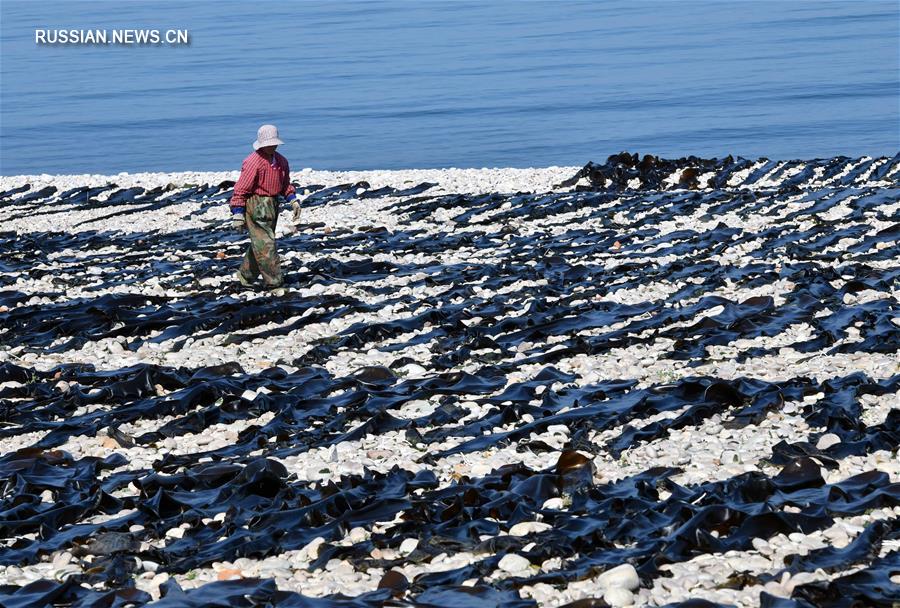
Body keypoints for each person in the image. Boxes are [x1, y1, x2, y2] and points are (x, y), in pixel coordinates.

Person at [229, 124, 298, 289]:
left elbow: (285, 184)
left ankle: (245, 276)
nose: (271, 146)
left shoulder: (281, 161)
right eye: (268, 144)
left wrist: (293, 200)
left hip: (272, 205)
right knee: (266, 245)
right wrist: (238, 213)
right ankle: (274, 283)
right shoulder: (253, 162)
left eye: (274, 143)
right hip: (256, 205)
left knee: (259, 243)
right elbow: (241, 189)